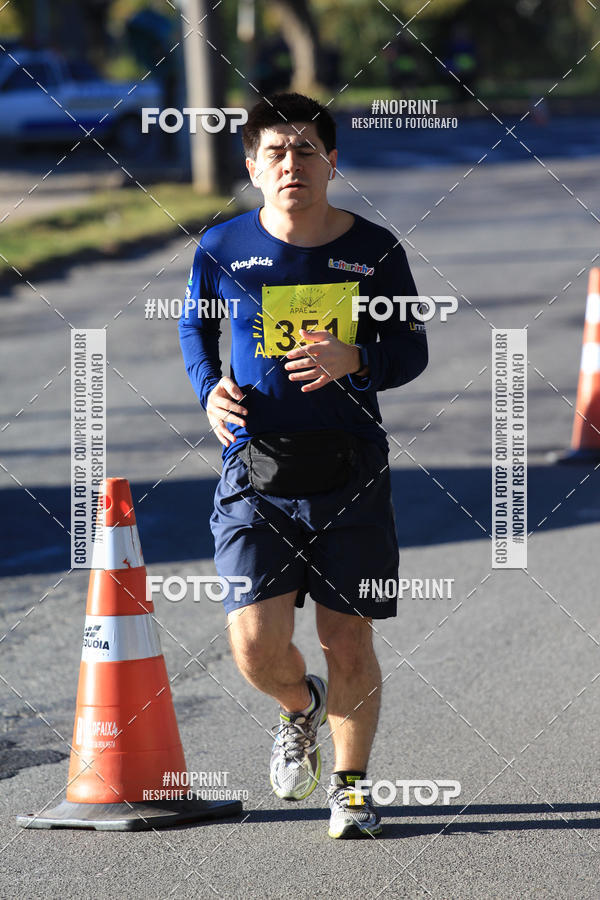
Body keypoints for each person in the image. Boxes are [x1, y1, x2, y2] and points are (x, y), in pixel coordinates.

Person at [179, 92, 428, 838]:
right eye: (277, 153)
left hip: (351, 469)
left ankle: (350, 789)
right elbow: (196, 326)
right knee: (254, 645)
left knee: (347, 637)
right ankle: (300, 707)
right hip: (253, 468)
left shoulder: (376, 249)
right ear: (253, 166)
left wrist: (357, 359)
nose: (294, 164)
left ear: (332, 161)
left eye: (307, 150)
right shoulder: (220, 249)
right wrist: (207, 390)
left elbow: (411, 351)